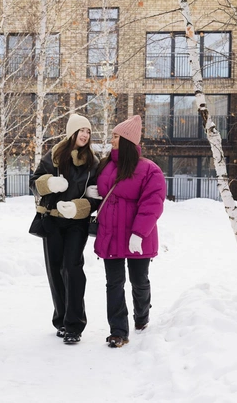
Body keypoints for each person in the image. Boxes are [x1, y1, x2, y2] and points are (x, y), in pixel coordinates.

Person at [92, 115, 166, 348]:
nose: (111, 140)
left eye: (115, 136)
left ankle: (142, 316)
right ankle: (118, 331)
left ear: (125, 140)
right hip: (111, 234)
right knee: (113, 283)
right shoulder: (105, 165)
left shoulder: (149, 170)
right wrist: (92, 195)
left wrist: (139, 234)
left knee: (139, 280)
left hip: (137, 236)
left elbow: (152, 203)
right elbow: (103, 193)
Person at [29, 114, 99, 344]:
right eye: (81, 131)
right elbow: (35, 181)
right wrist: (48, 183)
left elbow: (96, 196)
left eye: (88, 131)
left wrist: (78, 207)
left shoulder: (93, 162)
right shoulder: (54, 156)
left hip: (76, 223)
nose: (85, 135)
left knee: (73, 268)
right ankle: (61, 320)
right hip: (51, 220)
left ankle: (74, 325)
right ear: (72, 133)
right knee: (55, 269)